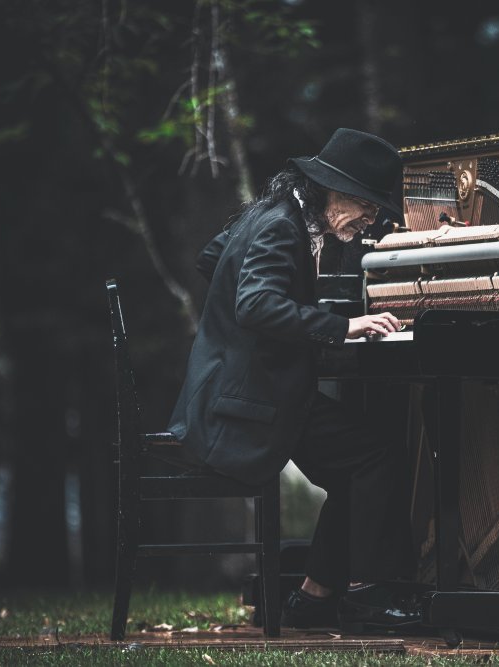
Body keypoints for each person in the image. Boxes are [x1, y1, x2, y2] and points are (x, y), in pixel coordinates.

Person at [167, 128, 419, 632]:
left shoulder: (271, 213)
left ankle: (317, 596)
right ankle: (363, 595)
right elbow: (256, 303)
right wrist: (341, 325)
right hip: (249, 405)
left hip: (247, 391)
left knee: (366, 455)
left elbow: (213, 260)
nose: (369, 220)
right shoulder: (282, 226)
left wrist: (264, 327)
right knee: (375, 456)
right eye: (367, 208)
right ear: (338, 193)